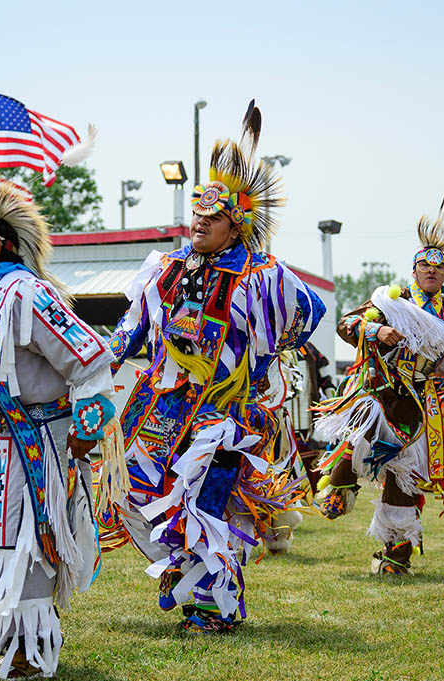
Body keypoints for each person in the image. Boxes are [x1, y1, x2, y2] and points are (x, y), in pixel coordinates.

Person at [106, 101, 326, 633]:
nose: (199, 223)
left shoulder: (260, 274)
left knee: (204, 503)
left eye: (212, 218)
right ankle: (182, 567)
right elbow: (133, 330)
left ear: (236, 226)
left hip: (223, 411)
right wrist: (92, 358)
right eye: (196, 215)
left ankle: (211, 606)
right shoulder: (167, 269)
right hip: (160, 407)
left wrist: (258, 363)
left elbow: (307, 317)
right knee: (131, 489)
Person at [0, 161, 120, 679]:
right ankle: (15, 639)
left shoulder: (25, 294)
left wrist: (86, 434)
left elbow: (89, 358)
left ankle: (31, 649)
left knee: (31, 542)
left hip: (39, 443)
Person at [313, 186, 444, 575]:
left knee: (407, 474)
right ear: (413, 270)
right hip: (381, 390)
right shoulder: (390, 301)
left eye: (439, 268)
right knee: (367, 434)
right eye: (424, 266)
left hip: (421, 401)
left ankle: (395, 556)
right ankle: (340, 484)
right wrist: (375, 332)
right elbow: (349, 323)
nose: (431, 271)